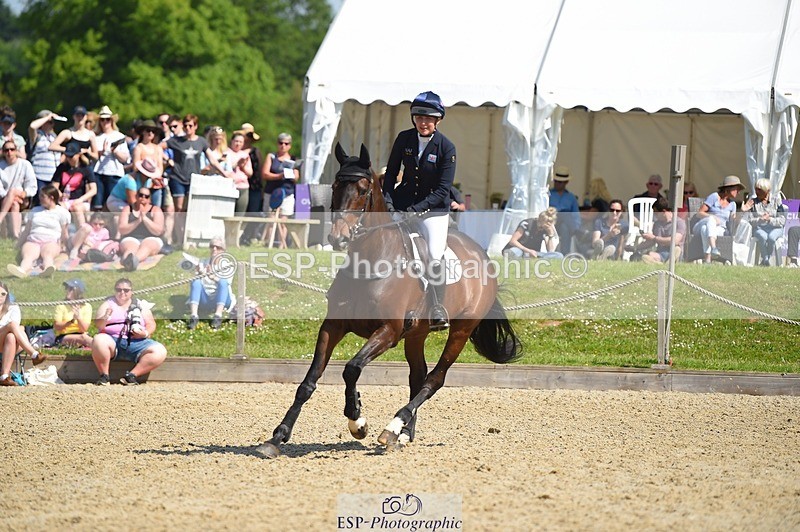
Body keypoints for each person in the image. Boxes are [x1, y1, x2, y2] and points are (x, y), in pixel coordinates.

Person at [382, 90, 455, 330]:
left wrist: (417, 209)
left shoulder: (446, 147)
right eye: (419, 117)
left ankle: (436, 307)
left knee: (433, 255)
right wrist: (388, 200)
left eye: (429, 118)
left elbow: (443, 189)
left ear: (438, 120)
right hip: (403, 205)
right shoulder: (404, 139)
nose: (423, 122)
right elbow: (391, 173)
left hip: (433, 211)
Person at [92, 278, 167, 386]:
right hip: (112, 340)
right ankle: (104, 376)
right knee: (99, 339)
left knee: (160, 350)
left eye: (126, 290)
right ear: (115, 291)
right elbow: (98, 325)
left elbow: (151, 324)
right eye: (119, 290)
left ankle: (131, 376)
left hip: (137, 342)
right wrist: (105, 316)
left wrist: (144, 333)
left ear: (131, 291)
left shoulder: (140, 305)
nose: (122, 293)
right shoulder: (108, 304)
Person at [166, 114, 231, 217]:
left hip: (193, 178)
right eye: (185, 125)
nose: (188, 128)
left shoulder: (201, 141)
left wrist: (224, 173)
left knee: (189, 209)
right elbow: (158, 147)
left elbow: (212, 160)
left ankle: (185, 231)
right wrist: (167, 159)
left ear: (195, 126)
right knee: (179, 208)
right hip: (178, 177)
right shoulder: (176, 141)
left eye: (190, 126)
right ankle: (178, 233)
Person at [7, 184, 70, 278]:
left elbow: (64, 233)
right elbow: (26, 231)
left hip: (51, 241)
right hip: (33, 240)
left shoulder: (62, 213)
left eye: (42, 196)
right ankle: (22, 270)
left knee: (48, 255)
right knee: (28, 256)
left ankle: (47, 270)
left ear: (51, 198)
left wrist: (68, 247)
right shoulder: (35, 211)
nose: (39, 198)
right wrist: (18, 245)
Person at [0, 281, 48, 386]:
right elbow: (13, 326)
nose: (0, 296)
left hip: (8, 343)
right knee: (12, 326)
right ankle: (34, 354)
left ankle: (4, 376)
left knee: (11, 336)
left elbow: (15, 328)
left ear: (7, 295)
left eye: (3, 294)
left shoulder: (13, 308)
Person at [693, 175, 746, 263]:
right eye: (737, 189)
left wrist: (741, 211)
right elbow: (699, 213)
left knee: (705, 230)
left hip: (720, 229)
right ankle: (714, 247)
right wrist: (712, 217)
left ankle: (707, 259)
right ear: (728, 189)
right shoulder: (714, 196)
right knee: (710, 221)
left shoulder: (733, 204)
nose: (739, 192)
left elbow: (734, 223)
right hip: (703, 223)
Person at [261, 133, 300, 249]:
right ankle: (269, 244)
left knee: (283, 221)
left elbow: (296, 177)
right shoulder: (272, 156)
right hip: (272, 192)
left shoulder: (294, 159)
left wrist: (290, 175)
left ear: (290, 145)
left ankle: (281, 246)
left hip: (287, 192)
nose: (283, 146)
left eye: (286, 143)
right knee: (271, 219)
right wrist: (279, 176)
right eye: (281, 143)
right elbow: (264, 174)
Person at [186, 236, 233, 330]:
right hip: (204, 298)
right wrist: (199, 273)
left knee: (223, 282)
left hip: (221, 299)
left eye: (218, 247)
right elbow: (195, 284)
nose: (214, 249)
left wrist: (213, 277)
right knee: (196, 281)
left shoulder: (228, 265)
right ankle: (194, 316)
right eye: (212, 246)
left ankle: (218, 316)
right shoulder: (202, 262)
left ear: (223, 250)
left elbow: (227, 283)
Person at [117, 187, 165, 271]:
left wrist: (145, 219)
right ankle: (127, 261)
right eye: (140, 195)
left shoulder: (156, 210)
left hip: (151, 238)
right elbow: (122, 229)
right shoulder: (127, 209)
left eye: (146, 196)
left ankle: (134, 261)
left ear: (149, 198)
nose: (143, 198)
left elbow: (158, 231)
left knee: (147, 246)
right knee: (130, 248)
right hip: (131, 237)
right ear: (136, 196)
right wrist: (137, 221)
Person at [92, 105, 130, 211]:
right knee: (98, 205)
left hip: (114, 174)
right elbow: (93, 157)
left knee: (113, 205)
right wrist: (102, 151)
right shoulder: (96, 137)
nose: (105, 122)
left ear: (112, 121)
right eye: (102, 120)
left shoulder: (119, 137)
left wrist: (115, 152)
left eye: (107, 119)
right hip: (99, 173)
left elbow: (126, 158)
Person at [743, 178, 787, 266]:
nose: (756, 192)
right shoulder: (753, 202)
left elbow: (782, 220)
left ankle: (765, 260)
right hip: (759, 228)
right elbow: (749, 220)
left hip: (775, 228)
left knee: (771, 237)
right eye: (756, 189)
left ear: (767, 191)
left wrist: (770, 219)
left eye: (759, 190)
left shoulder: (776, 201)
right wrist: (760, 220)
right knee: (763, 236)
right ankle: (766, 261)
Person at [0, 139, 38, 238]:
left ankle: (0, 218)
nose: (9, 152)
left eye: (12, 149)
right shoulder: (0, 166)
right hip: (5, 199)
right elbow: (1, 190)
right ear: (3, 152)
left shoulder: (25, 164)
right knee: (14, 204)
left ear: (16, 151)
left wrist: (23, 193)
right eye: (6, 150)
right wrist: (11, 196)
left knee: (13, 193)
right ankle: (16, 235)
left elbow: (32, 186)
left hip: (23, 197)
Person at [54, 142, 97, 227]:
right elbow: (54, 186)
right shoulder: (62, 167)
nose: (69, 158)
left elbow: (93, 190)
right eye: (67, 156)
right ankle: (62, 236)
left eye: (71, 156)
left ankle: (83, 233)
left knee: (77, 209)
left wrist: (80, 199)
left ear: (78, 155)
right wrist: (60, 194)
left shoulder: (86, 168)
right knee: (59, 209)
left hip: (80, 200)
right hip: (64, 200)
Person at [637, 197, 686, 264]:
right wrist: (635, 248)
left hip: (674, 252)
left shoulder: (679, 222)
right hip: (661, 254)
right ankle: (664, 265)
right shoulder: (657, 224)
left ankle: (668, 263)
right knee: (645, 256)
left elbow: (675, 241)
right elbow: (651, 242)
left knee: (677, 249)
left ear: (663, 212)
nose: (655, 215)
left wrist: (654, 238)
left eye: (656, 212)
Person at [27, 110, 62, 193]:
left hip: (53, 176)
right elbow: (32, 126)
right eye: (48, 122)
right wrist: (48, 117)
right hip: (39, 176)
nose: (51, 124)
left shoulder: (54, 137)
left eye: (52, 122)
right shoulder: (37, 135)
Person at [548, 165, 580, 253]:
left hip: (565, 225)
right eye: (556, 181)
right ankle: (578, 233)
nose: (557, 183)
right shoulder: (548, 194)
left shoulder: (571, 197)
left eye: (560, 182)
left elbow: (576, 215)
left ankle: (564, 255)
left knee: (565, 228)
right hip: (550, 223)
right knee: (565, 214)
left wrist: (576, 225)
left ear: (566, 182)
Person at [53, 279, 93, 348]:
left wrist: (79, 318)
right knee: (83, 338)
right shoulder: (61, 305)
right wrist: (71, 321)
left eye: (70, 289)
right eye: (66, 288)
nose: (67, 291)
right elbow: (56, 327)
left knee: (84, 337)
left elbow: (84, 329)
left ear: (78, 291)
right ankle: (101, 348)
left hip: (82, 334)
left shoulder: (87, 306)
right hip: (64, 336)